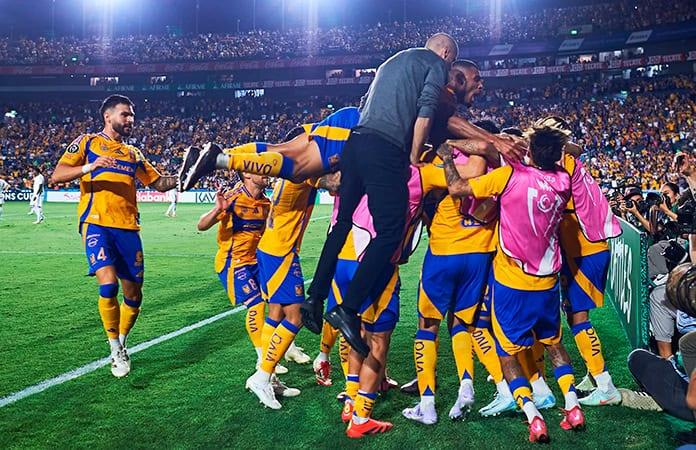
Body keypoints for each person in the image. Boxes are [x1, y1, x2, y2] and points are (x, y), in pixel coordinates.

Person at [303, 33, 460, 357]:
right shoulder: (435, 64)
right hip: (384, 149)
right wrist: (414, 156)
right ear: (445, 52)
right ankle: (348, 308)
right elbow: (425, 113)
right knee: (390, 232)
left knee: (342, 223)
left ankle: (315, 297)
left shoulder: (392, 62)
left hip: (356, 142)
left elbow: (365, 107)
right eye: (452, 62)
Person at [436, 125, 585, 443]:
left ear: (530, 151)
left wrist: (448, 156)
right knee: (554, 345)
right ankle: (572, 406)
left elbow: (458, 189)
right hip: (547, 282)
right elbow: (571, 151)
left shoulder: (510, 177)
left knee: (507, 354)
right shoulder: (563, 180)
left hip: (512, 283)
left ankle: (533, 417)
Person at [50, 94, 177, 378]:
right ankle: (115, 349)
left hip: (128, 228)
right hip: (96, 224)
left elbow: (159, 183)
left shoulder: (133, 154)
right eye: (125, 114)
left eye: (132, 115)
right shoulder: (87, 142)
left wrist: (187, 175)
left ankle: (121, 340)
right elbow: (57, 175)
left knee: (134, 295)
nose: (130, 119)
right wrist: (89, 167)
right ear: (108, 116)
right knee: (108, 285)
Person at [244, 126, 342, 410]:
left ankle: (269, 375)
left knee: (276, 313)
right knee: (296, 316)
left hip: (272, 247)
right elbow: (334, 185)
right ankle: (262, 377)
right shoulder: (302, 170)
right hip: (280, 251)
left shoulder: (291, 169)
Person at [178, 107, 360, 189]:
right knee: (297, 170)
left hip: (348, 121)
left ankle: (206, 156)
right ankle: (218, 160)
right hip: (358, 129)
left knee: (280, 150)